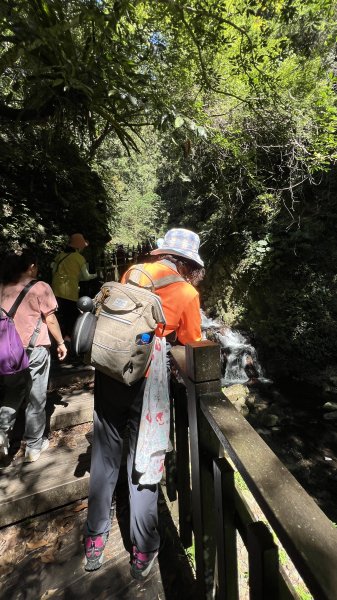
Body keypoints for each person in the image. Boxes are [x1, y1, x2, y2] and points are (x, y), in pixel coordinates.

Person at [84, 228, 205, 579]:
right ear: (189, 263)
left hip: (111, 370)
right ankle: (143, 547)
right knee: (146, 457)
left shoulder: (134, 272)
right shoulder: (186, 292)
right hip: (148, 379)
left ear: (162, 253)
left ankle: (94, 539)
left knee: (105, 454)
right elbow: (192, 341)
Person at [0, 250, 67, 462]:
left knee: (12, 392)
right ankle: (33, 447)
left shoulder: (3, 286)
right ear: (31, 266)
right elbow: (51, 320)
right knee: (36, 397)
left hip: (8, 351)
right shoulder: (40, 287)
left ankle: (2, 434)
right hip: (34, 349)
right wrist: (61, 343)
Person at [51, 233, 97, 344]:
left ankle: (58, 337)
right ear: (79, 247)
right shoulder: (79, 258)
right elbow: (85, 277)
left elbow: (53, 270)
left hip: (56, 289)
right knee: (71, 315)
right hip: (70, 291)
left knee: (60, 314)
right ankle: (68, 338)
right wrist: (95, 275)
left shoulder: (60, 255)